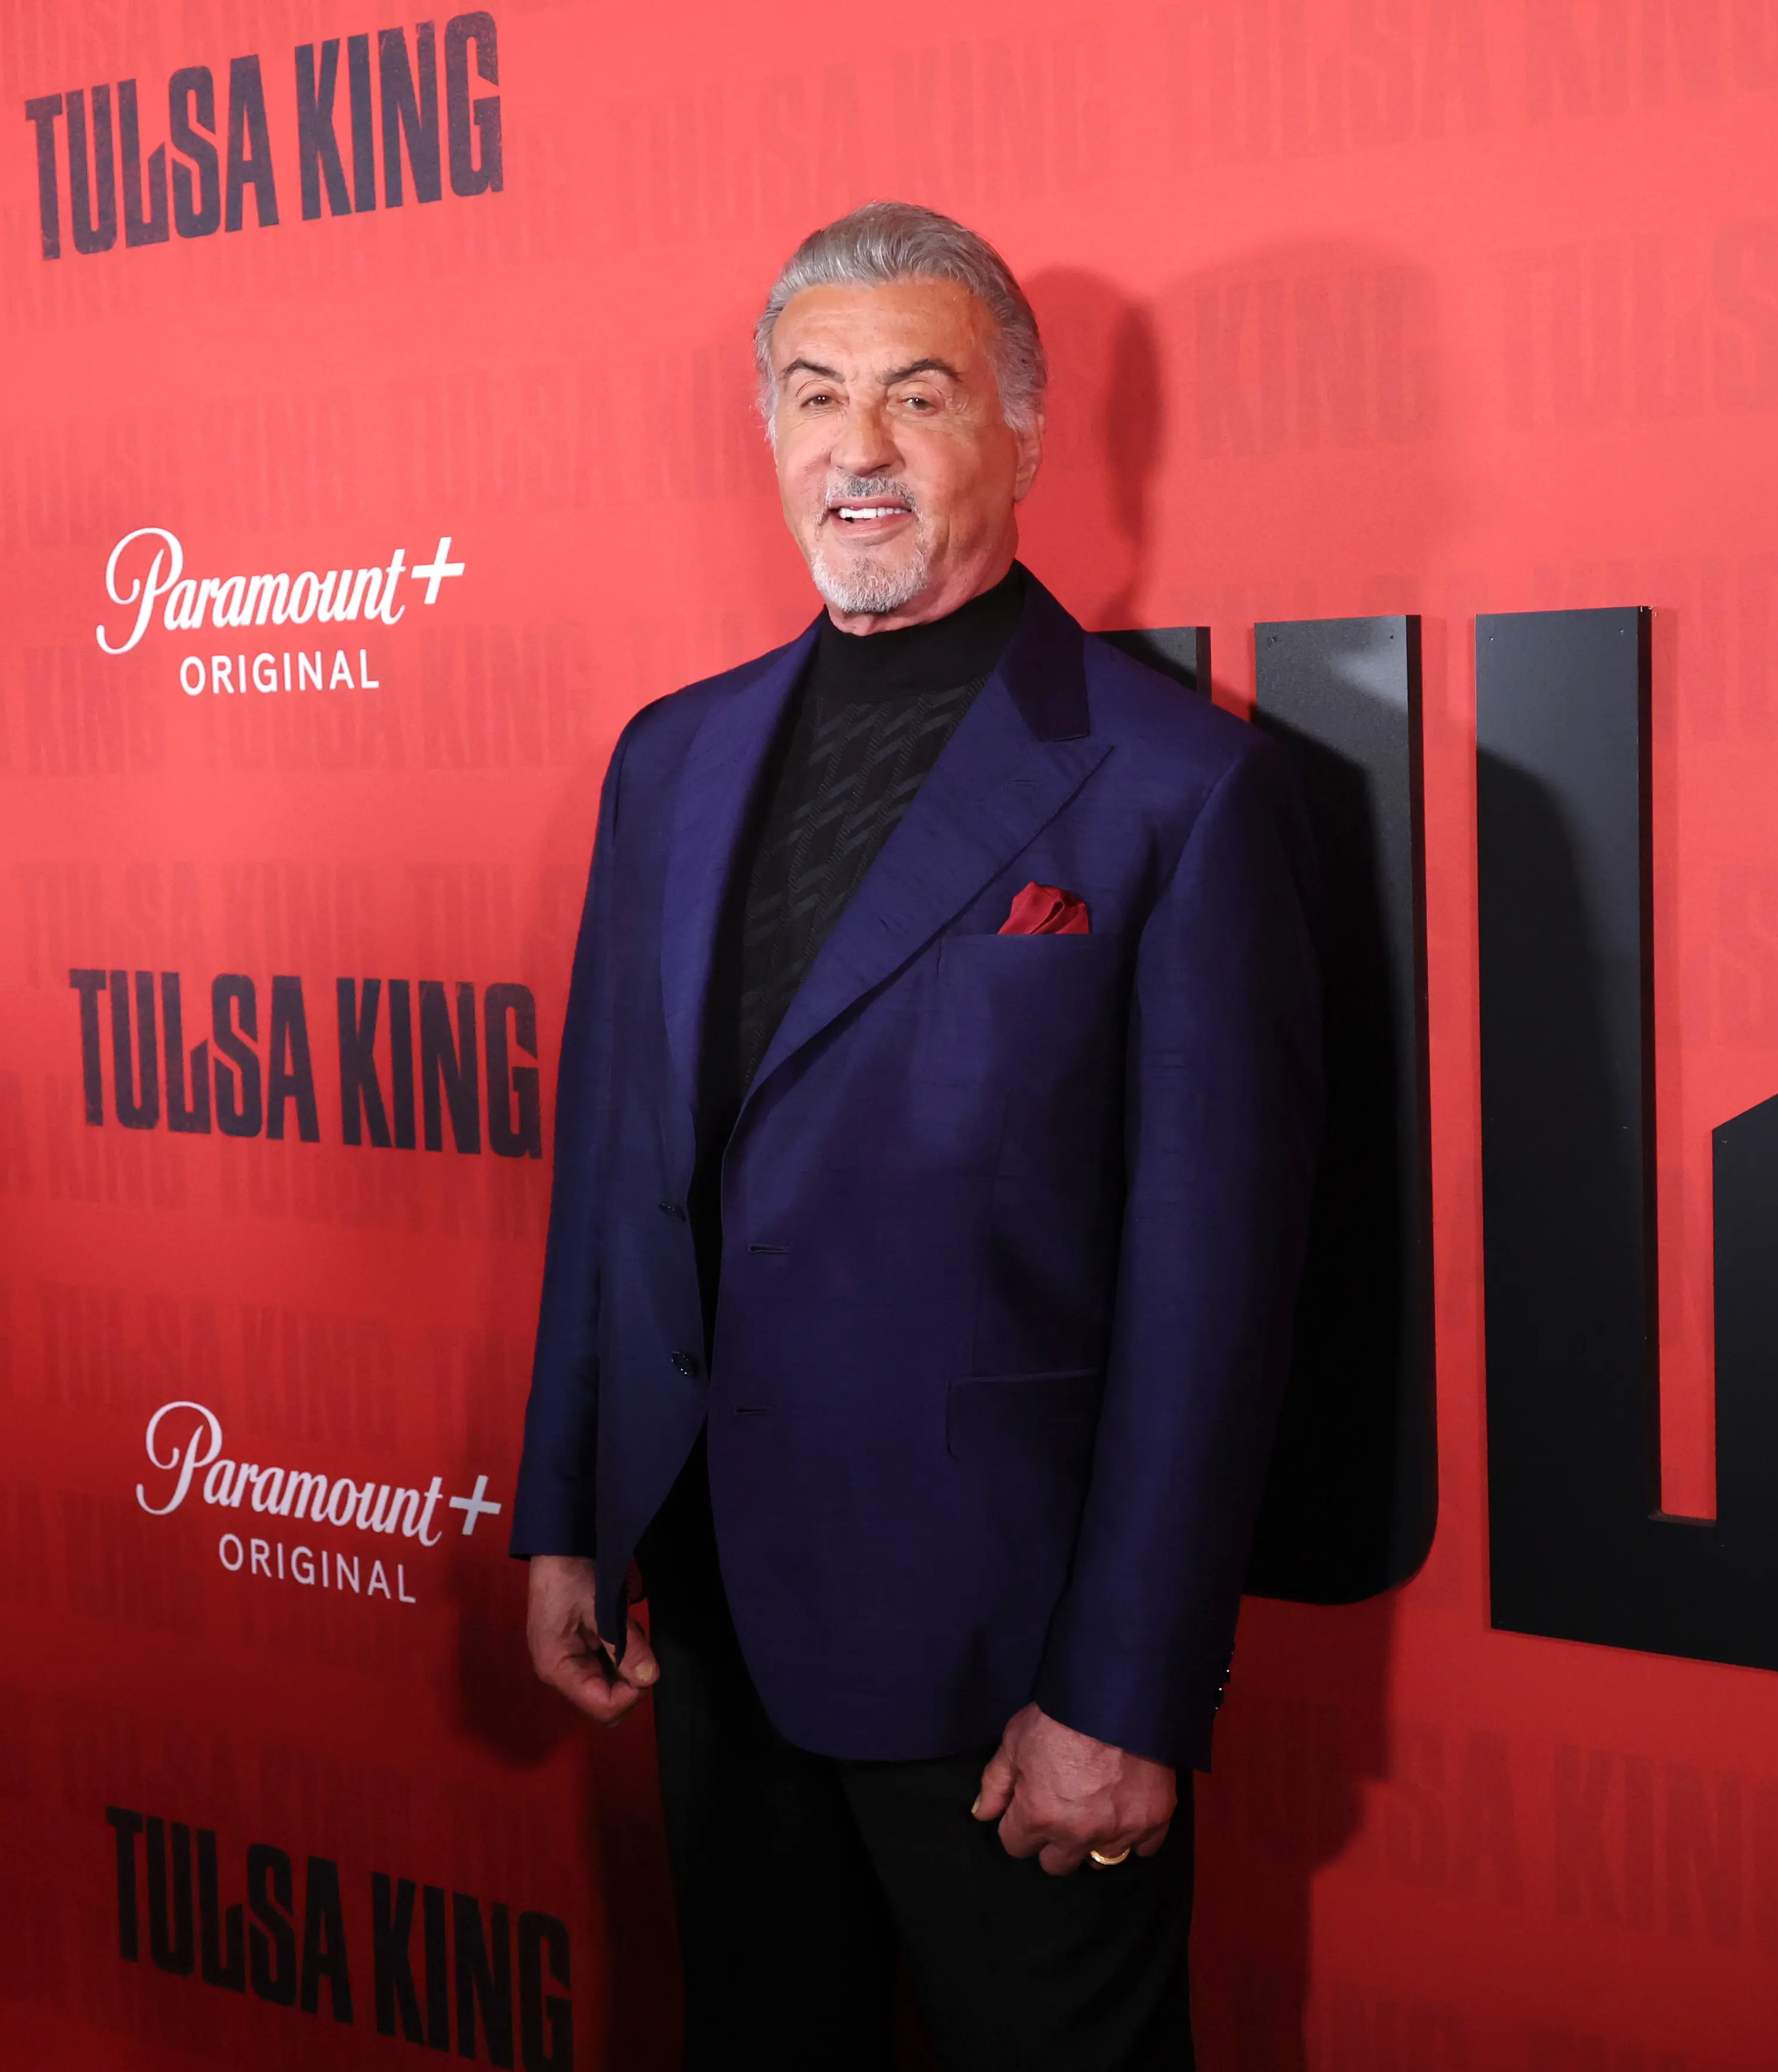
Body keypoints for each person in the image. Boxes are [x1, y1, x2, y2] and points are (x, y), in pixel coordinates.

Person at [511, 200, 1322, 2071]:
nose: (855, 450)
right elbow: (613, 1164)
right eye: (813, 397)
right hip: (711, 1619)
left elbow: (1215, 1303)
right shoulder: (672, 758)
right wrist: (570, 1502)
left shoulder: (1180, 793)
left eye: (916, 394)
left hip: (1007, 1672)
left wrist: (1122, 1693)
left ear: (1025, 433)